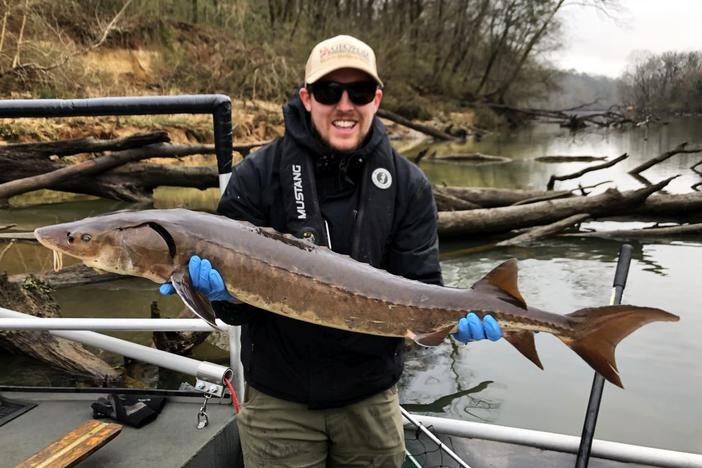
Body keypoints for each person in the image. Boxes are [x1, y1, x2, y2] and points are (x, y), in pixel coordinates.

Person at [162, 35, 502, 467]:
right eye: (328, 91)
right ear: (307, 98)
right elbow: (235, 314)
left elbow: (423, 290)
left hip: (371, 398)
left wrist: (453, 323)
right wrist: (221, 296)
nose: (345, 104)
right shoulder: (257, 175)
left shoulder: (408, 184)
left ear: (376, 99)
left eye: (358, 92)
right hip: (278, 401)